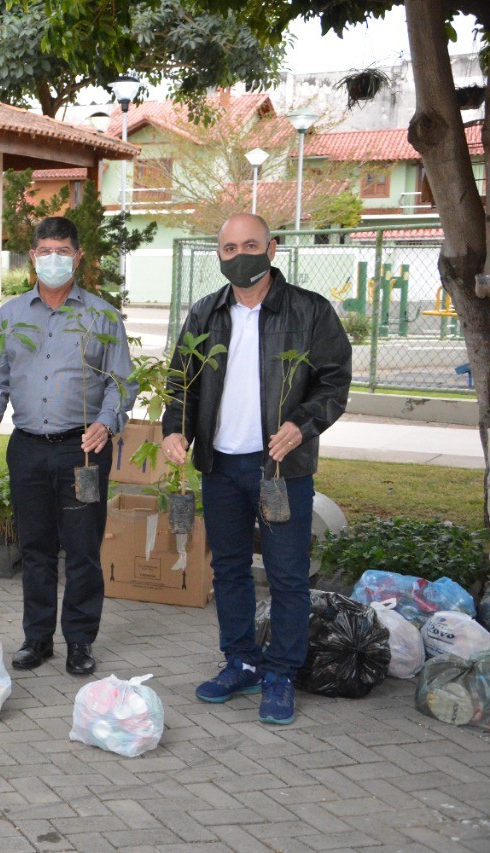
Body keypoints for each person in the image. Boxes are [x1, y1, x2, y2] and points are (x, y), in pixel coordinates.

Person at [162, 212, 351, 725]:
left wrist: (303, 425)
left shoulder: (309, 312)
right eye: (228, 248)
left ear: (271, 250)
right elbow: (182, 382)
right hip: (219, 464)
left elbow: (334, 383)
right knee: (229, 569)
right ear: (218, 256)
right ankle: (241, 660)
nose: (239, 255)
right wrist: (173, 430)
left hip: (280, 470)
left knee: (288, 575)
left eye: (250, 244)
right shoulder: (206, 313)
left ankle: (282, 674)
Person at [0, 216, 135, 675]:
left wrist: (106, 422)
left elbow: (122, 382)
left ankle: (80, 641)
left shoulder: (101, 316)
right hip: (27, 448)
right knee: (36, 547)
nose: (53, 259)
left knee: (82, 549)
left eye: (62, 251)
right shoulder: (10, 315)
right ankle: (37, 639)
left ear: (78, 257)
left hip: (82, 451)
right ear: (33, 259)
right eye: (45, 251)